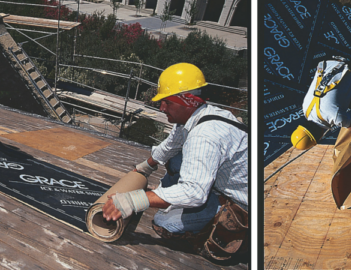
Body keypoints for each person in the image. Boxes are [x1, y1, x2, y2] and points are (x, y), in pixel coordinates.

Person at [102, 63, 248, 259]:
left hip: (240, 203)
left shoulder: (204, 136)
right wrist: (146, 167)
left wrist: (135, 199)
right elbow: (171, 145)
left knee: (164, 222)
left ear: (188, 101)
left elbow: (194, 193)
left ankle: (230, 229)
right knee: (175, 158)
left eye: (167, 102)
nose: (162, 108)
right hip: (220, 183)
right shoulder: (199, 115)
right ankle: (172, 198)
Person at [291, 56, 351, 164]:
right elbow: (336, 101)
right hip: (327, 64)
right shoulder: (306, 109)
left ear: (318, 136)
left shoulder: (333, 116)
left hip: (343, 67)